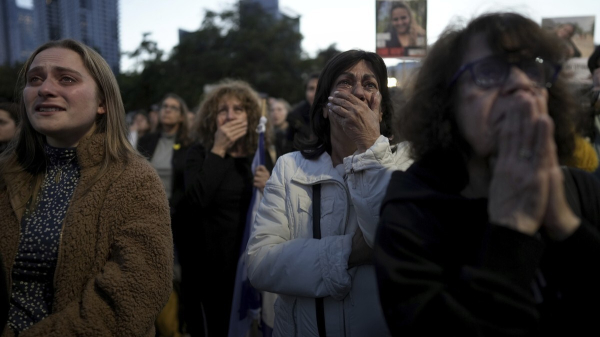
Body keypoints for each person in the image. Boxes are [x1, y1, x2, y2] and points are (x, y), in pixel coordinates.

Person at [374, 13, 600, 336]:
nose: (522, 84)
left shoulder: (580, 189)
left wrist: (564, 224)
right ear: (448, 101)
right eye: (490, 72)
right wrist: (512, 228)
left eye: (533, 69)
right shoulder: (409, 214)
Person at [0, 39, 173, 336]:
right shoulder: (5, 173)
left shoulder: (134, 180)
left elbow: (136, 291)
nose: (45, 89)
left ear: (103, 102)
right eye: (35, 79)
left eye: (66, 78)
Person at [245, 50, 413, 336]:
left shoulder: (406, 164)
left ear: (381, 109)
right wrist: (348, 252)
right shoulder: (290, 168)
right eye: (346, 83)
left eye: (370, 85)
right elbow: (260, 264)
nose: (359, 92)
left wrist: (370, 147)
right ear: (324, 106)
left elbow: (395, 244)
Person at [182, 79, 273, 336]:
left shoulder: (261, 155)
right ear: (213, 118)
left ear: (250, 116)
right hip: (210, 267)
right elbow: (195, 201)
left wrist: (270, 188)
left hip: (249, 262)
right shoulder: (199, 153)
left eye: (238, 109)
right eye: (223, 110)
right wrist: (219, 149)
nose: (230, 115)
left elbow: (280, 211)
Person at [136, 93, 192, 337]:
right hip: (147, 213)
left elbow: (189, 185)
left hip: (178, 216)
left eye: (173, 107)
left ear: (181, 115)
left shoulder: (190, 144)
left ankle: (178, 326)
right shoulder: (146, 140)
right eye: (164, 106)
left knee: (176, 272)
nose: (167, 110)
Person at [285, 72, 319, 153]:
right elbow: (289, 146)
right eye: (311, 89)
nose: (315, 93)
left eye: (319, 88)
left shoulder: (335, 113)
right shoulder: (295, 117)